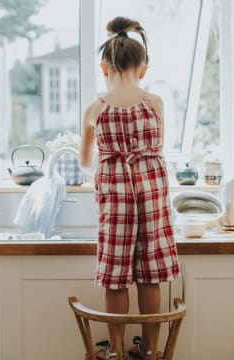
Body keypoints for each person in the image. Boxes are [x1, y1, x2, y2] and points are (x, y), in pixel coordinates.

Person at [80, 16, 180, 360]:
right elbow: (159, 145)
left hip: (116, 194)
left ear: (104, 68)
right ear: (143, 68)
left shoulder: (96, 109)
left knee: (116, 276)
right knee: (149, 275)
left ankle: (118, 350)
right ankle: (151, 350)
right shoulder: (155, 103)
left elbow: (83, 160)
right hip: (151, 190)